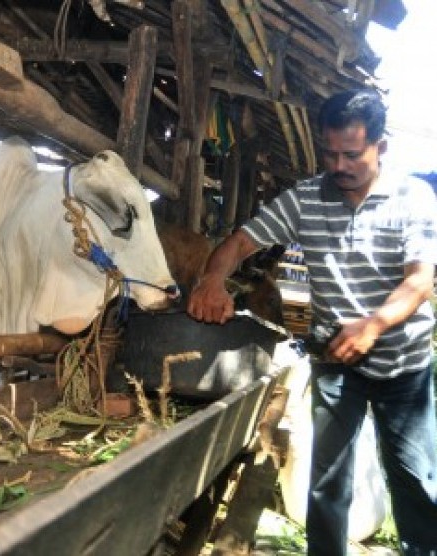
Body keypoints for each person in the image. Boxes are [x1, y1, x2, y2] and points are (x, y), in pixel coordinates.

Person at [187, 89, 437, 554]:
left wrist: (373, 325)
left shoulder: (414, 198)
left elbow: (420, 281)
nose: (338, 165)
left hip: (404, 368)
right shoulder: (304, 199)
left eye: (351, 154)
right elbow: (240, 243)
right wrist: (213, 279)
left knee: (417, 480)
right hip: (336, 363)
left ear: (380, 147)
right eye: (329, 153)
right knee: (328, 483)